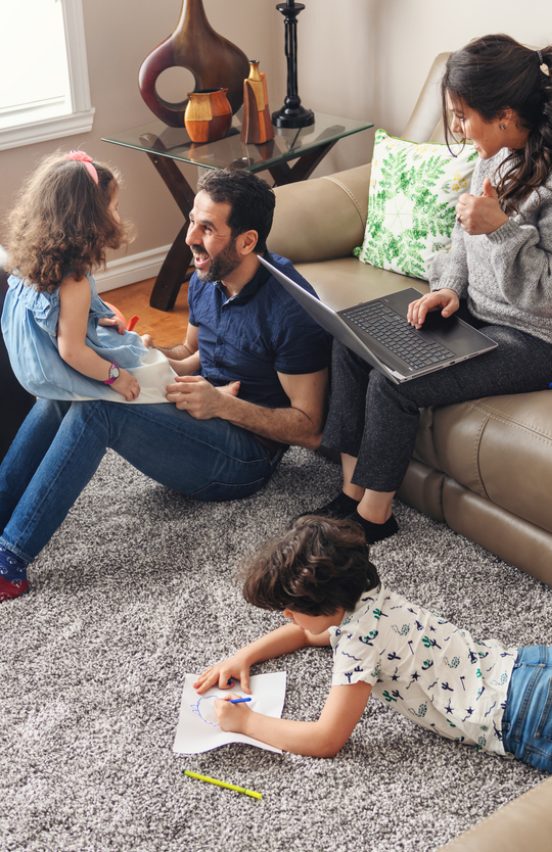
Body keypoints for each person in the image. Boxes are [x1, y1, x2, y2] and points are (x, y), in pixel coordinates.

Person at [305, 34, 552, 544]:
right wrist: (449, 287)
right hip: (482, 311)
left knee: (395, 383)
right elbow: (463, 233)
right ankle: (351, 492)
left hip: (547, 338)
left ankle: (373, 519)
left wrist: (502, 229)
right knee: (354, 342)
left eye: (463, 117)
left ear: (505, 115)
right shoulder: (497, 151)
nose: (457, 129)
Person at [0, 168, 331, 602]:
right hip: (200, 411)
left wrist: (222, 406)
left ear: (247, 241)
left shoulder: (292, 311)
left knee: (98, 409)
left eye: (207, 228)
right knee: (67, 391)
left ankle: (10, 560)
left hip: (246, 458)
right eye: (192, 220)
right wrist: (139, 349)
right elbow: (193, 354)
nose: (190, 237)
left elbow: (310, 428)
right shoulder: (206, 277)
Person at [194, 516, 552, 772]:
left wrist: (246, 722)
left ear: (325, 603)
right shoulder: (369, 597)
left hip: (528, 716)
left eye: (290, 610)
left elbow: (326, 738)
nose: (287, 619)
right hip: (537, 664)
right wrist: (245, 654)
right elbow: (312, 631)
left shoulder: (356, 648)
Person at [2, 150, 175, 405]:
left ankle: (170, 362)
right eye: (114, 208)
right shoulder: (74, 283)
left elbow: (49, 317)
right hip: (57, 371)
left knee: (123, 339)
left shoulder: (28, 263)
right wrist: (115, 377)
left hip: (30, 366)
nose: (118, 216)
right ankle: (175, 379)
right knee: (147, 371)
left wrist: (86, 317)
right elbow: (72, 352)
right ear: (89, 219)